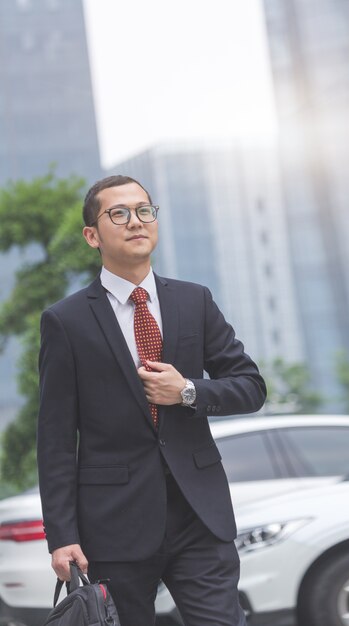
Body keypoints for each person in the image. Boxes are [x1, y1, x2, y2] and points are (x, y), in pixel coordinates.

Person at [37, 175, 266, 626]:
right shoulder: (66, 322)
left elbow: (250, 386)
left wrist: (188, 391)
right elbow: (56, 439)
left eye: (144, 210)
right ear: (92, 235)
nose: (135, 221)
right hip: (114, 524)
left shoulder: (193, 300)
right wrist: (61, 536)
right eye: (118, 213)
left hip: (199, 514)